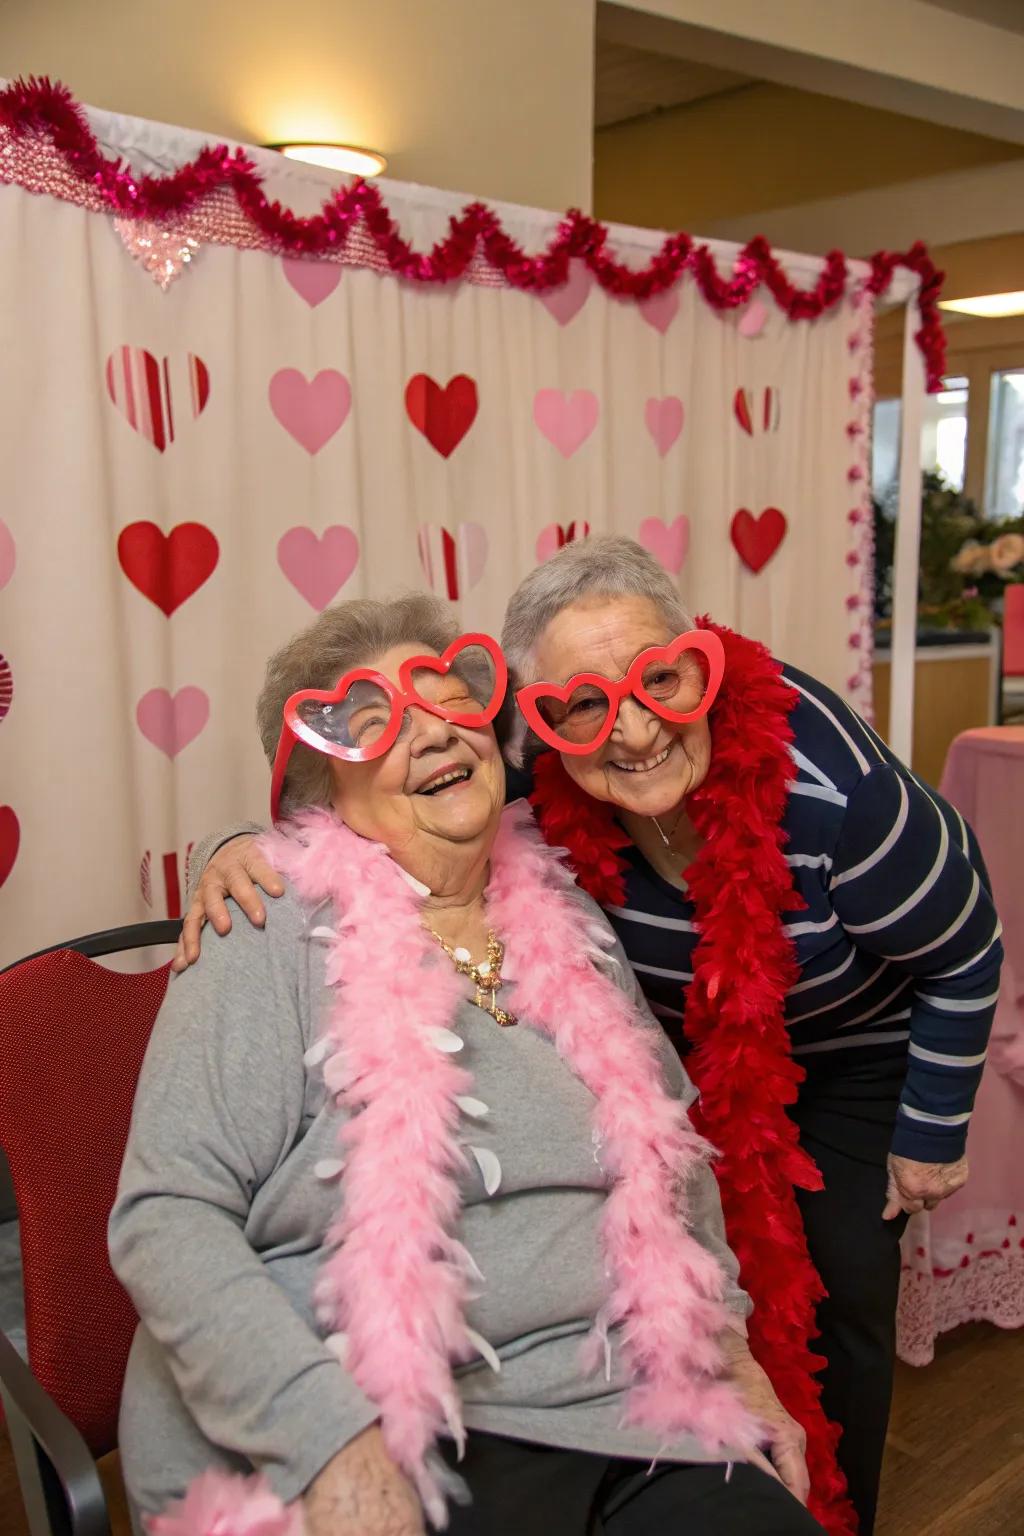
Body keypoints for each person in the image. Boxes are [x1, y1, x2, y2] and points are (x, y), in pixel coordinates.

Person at [183, 541, 1002, 1536]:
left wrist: (928, 1130)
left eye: (658, 679)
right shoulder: (492, 817)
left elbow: (962, 952)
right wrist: (238, 847)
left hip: (860, 1040)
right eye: (579, 702)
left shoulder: (837, 799)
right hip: (684, 1058)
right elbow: (175, 1215)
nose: (631, 725)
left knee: (840, 1292)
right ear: (537, 718)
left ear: (698, 663)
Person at [110, 593, 824, 1536]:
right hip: (364, 1427)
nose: (434, 734)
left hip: (627, 1418)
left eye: (451, 707)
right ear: (320, 794)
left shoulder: (569, 921)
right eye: (378, 725)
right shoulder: (267, 926)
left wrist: (730, 1354)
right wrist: (326, 1436)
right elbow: (167, 1216)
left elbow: (672, 1157)